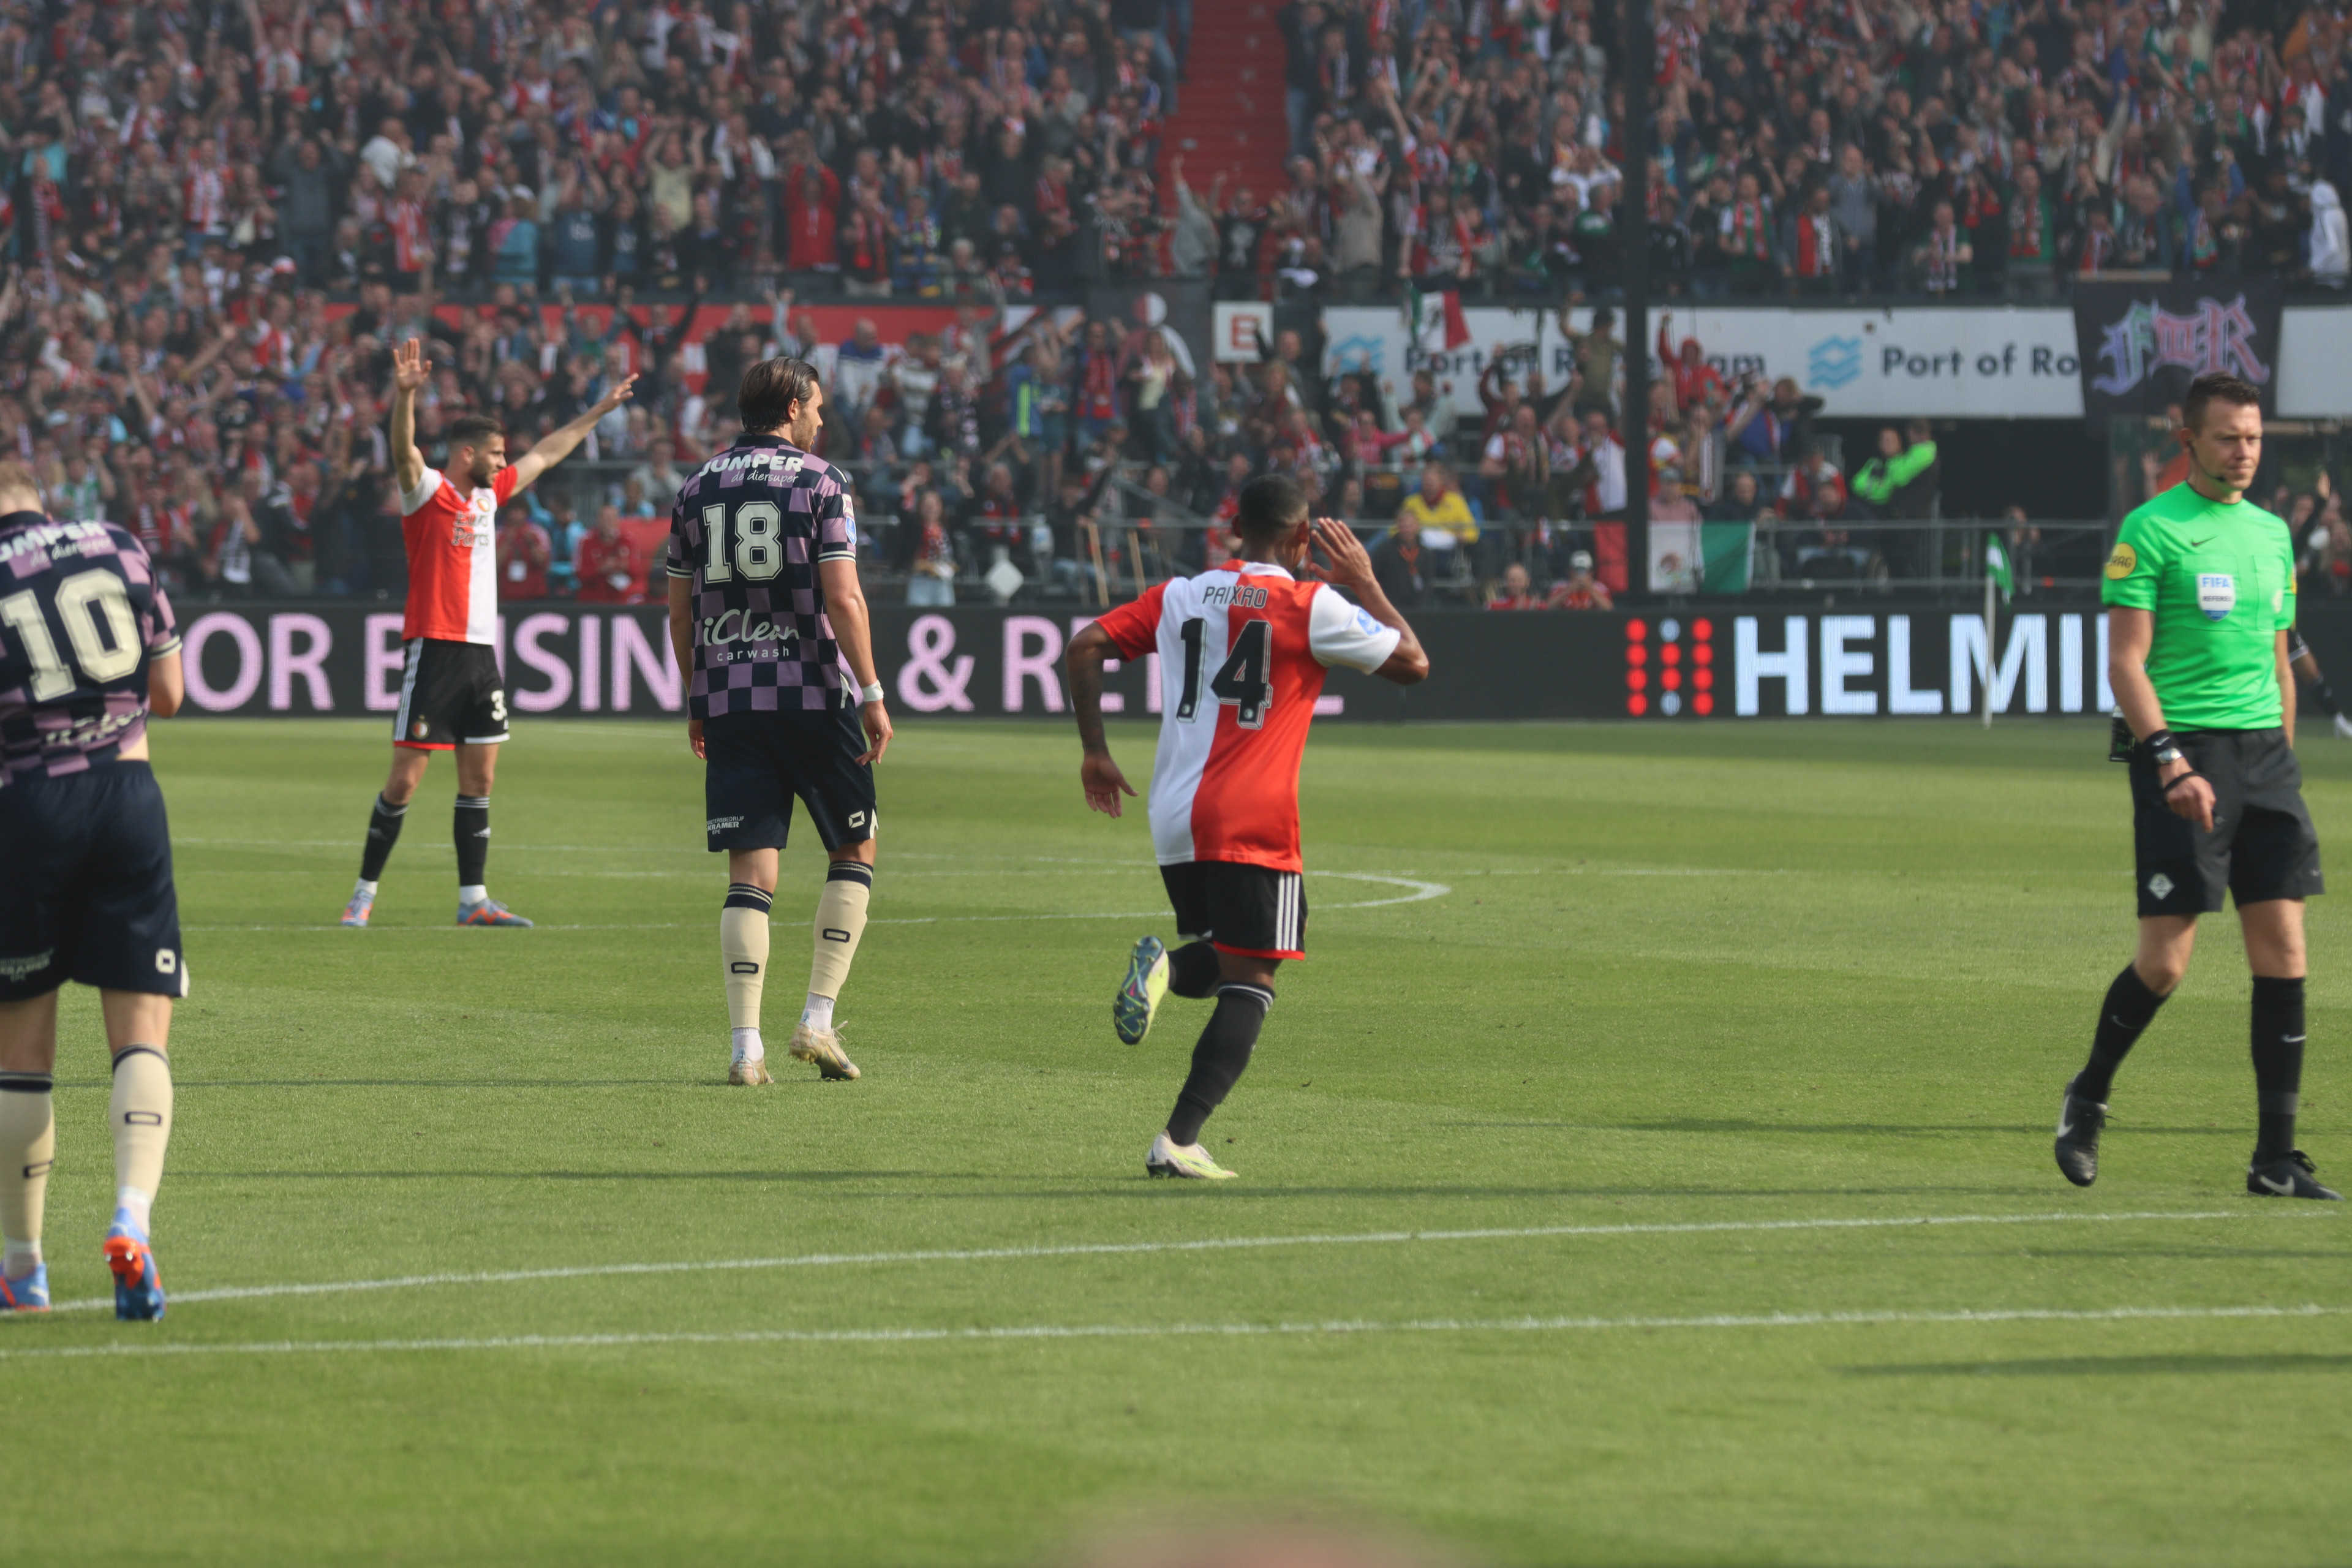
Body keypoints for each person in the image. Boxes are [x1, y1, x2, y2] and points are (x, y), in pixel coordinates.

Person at [1063, 476, 1429, 1179]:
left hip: (1174, 818)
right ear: (1301, 541)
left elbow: (1084, 646)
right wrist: (1367, 583)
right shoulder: (1312, 602)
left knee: (1225, 954)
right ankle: (1178, 1138)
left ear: (1234, 528)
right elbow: (1414, 664)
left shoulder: (1178, 595)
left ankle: (1166, 969)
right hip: (1253, 819)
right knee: (1255, 980)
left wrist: (1096, 751)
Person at [2060, 373, 2339, 1202]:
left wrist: (2282, 759)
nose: (2245, 452)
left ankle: (2275, 1158)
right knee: (2167, 962)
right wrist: (2170, 761)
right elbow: (2124, 663)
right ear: (2190, 441)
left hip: (2266, 759)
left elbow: (2278, 653)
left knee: (2285, 952)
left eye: (2254, 438)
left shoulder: (2271, 536)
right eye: (2228, 438)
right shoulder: (2150, 532)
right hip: (2183, 751)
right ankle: (2088, 1095)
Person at [341, 340, 635, 930]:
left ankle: (473, 899)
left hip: (481, 655)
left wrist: (597, 413)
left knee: (481, 778)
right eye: (497, 454)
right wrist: (405, 397)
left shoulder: (486, 496)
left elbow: (548, 455)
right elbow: (403, 454)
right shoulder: (428, 493)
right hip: (435, 648)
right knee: (405, 780)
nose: (505, 463)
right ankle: (363, 892)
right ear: (468, 453)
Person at [664, 358, 892, 1088]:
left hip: (732, 697)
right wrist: (873, 691)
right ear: (792, 405)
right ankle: (817, 1019)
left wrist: (698, 697)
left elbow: (679, 610)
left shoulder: (695, 488)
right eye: (817, 407)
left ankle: (744, 1048)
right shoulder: (823, 482)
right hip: (814, 695)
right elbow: (844, 597)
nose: (822, 420)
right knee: (855, 846)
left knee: (750, 873)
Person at [0, 461, 187, 1319]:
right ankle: (132, 1219)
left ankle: (23, 1268)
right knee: (141, 1035)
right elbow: (171, 695)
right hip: (127, 794)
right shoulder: (120, 545)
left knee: (21, 1058)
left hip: (26, 806)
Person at [1548, 549, 1613, 608]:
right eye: (1577, 570)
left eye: (1584, 571)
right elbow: (1548, 606)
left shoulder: (1600, 588)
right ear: (1570, 571)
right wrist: (1569, 590)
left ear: (1591, 572)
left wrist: (1590, 589)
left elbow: (1609, 608)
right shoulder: (1560, 586)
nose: (1580, 574)